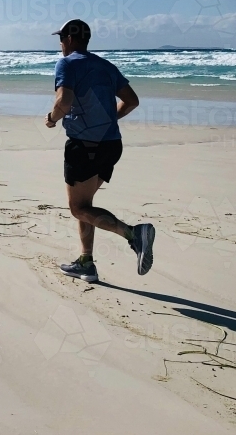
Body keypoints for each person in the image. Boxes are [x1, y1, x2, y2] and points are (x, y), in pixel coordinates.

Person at [44, 19, 154, 282]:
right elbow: (132, 101)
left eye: (61, 38)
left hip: (84, 146)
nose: (60, 44)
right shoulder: (106, 66)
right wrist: (108, 120)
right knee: (86, 205)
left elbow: (64, 101)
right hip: (111, 145)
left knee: (78, 209)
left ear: (70, 39)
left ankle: (134, 234)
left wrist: (52, 118)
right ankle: (86, 262)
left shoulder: (67, 63)